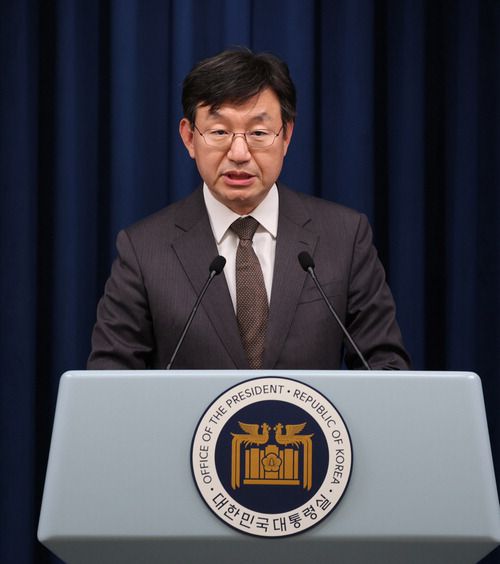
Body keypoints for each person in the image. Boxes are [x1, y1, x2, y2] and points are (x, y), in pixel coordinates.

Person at [87, 48, 410, 371]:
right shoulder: (144, 251)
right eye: (219, 132)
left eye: (258, 133)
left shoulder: (344, 237)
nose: (239, 153)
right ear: (189, 137)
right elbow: (108, 382)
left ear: (286, 136)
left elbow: (386, 369)